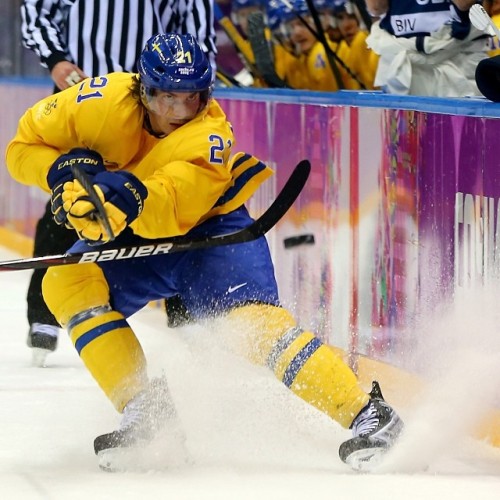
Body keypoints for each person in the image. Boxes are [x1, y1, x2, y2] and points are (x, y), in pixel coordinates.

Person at [5, 33, 403, 472]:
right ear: (142, 89)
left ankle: (368, 413)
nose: (177, 112)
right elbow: (21, 148)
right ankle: (149, 411)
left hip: (212, 232)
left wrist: (119, 202)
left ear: (205, 95)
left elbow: (165, 216)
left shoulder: (209, 137)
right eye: (165, 98)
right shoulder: (97, 100)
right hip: (142, 231)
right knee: (67, 280)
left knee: (253, 328)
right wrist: (60, 171)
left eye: (190, 99)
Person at [20, 0, 217, 366]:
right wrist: (57, 59)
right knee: (71, 203)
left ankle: (188, 318)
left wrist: (192, 87)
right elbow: (37, 11)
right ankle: (44, 314)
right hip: (91, 104)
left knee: (172, 203)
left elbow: (197, 29)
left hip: (164, 101)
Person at [365, 0, 490, 96]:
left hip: (458, 58)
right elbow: (376, 7)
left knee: (468, 127)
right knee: (405, 128)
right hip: (404, 60)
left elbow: (465, 3)